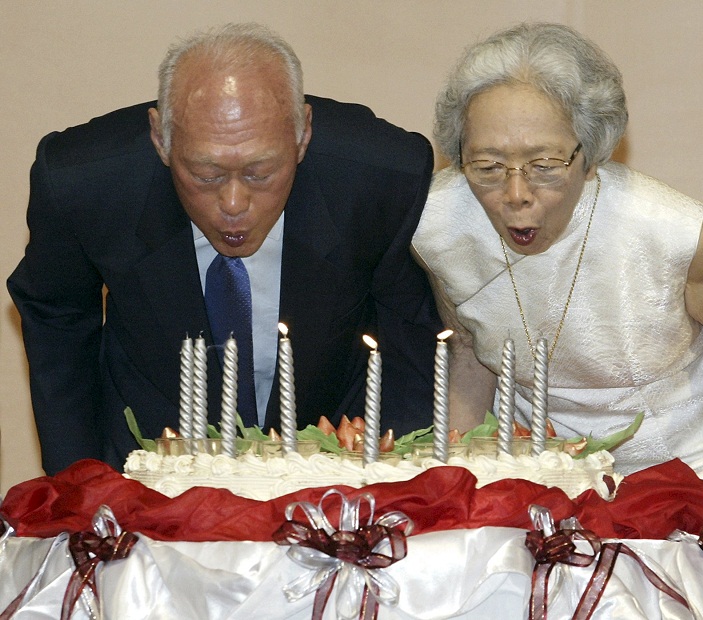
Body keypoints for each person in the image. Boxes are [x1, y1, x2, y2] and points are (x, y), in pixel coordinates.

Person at [8, 23, 442, 476]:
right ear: (160, 140)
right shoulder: (83, 183)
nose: (233, 204)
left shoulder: (383, 179)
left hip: (332, 463)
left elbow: (410, 345)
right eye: (206, 175)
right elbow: (56, 313)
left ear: (302, 136)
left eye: (260, 173)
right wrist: (80, 483)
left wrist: (396, 480)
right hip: (150, 463)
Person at [412, 22, 703, 513]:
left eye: (545, 165)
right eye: (488, 166)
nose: (516, 194)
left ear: (590, 154)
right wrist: (456, 477)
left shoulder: (672, 232)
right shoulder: (437, 226)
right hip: (538, 455)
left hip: (692, 457)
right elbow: (468, 349)